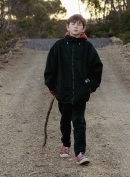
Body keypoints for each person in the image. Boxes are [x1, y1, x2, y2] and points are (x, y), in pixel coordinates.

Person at [44, 14, 103, 165]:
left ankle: (80, 153)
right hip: (62, 92)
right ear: (67, 27)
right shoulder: (59, 46)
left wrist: (89, 86)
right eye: (73, 24)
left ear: (84, 28)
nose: (75, 26)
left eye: (79, 24)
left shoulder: (87, 47)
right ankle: (65, 144)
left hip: (80, 94)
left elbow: (96, 69)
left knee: (79, 122)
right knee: (65, 121)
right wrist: (52, 86)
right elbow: (50, 68)